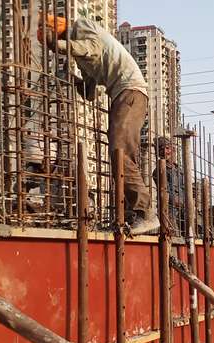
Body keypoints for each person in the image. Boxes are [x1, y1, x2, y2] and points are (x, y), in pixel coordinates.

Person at [37, 15, 160, 235]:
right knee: (118, 155)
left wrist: (60, 46)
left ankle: (146, 213)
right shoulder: (81, 57)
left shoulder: (82, 26)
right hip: (122, 95)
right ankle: (136, 212)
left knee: (120, 153)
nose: (56, 51)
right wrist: (72, 79)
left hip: (129, 92)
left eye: (54, 44)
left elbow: (91, 47)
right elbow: (90, 92)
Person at [152, 137, 185, 236]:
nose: (163, 152)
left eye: (166, 148)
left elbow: (184, 188)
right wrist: (175, 200)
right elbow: (163, 190)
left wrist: (185, 201)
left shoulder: (179, 170)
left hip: (182, 207)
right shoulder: (159, 170)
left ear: (173, 149)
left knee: (190, 232)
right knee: (172, 234)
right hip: (168, 208)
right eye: (160, 150)